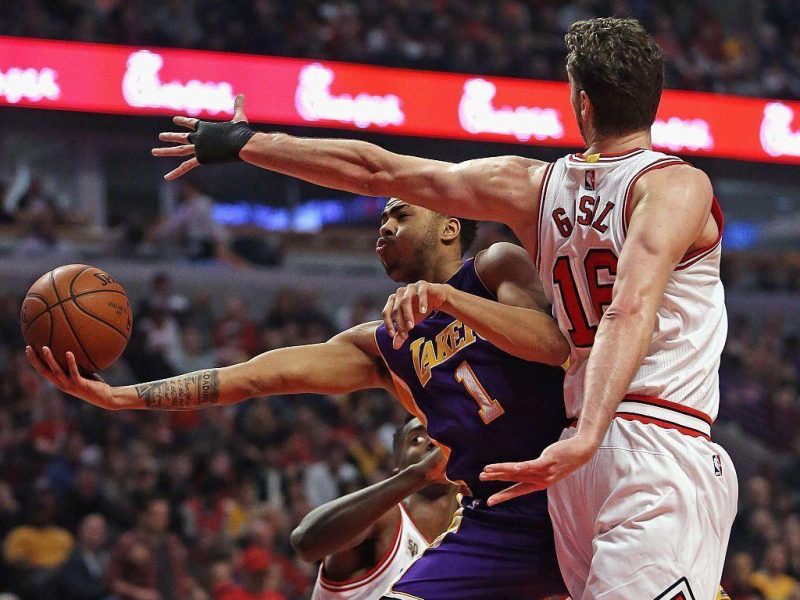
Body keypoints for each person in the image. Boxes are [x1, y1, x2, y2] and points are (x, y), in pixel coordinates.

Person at [148, 16, 737, 598]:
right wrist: (585, 434)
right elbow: (628, 308)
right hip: (653, 436)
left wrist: (246, 144)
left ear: (581, 105)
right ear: (655, 102)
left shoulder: (529, 185)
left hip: (578, 463)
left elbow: (377, 170)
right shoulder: (675, 185)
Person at [28, 197, 570, 598]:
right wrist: (121, 397)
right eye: (382, 218)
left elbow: (549, 345)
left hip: (576, 492)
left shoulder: (495, 265)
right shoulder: (382, 346)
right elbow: (255, 377)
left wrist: (449, 301)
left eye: (401, 214)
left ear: (451, 226)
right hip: (495, 523)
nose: (384, 226)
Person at [291, 418, 457, 599]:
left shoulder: (470, 539)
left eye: (442, 435)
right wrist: (421, 474)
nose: (434, 442)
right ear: (398, 464)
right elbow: (306, 541)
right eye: (416, 439)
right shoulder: (385, 519)